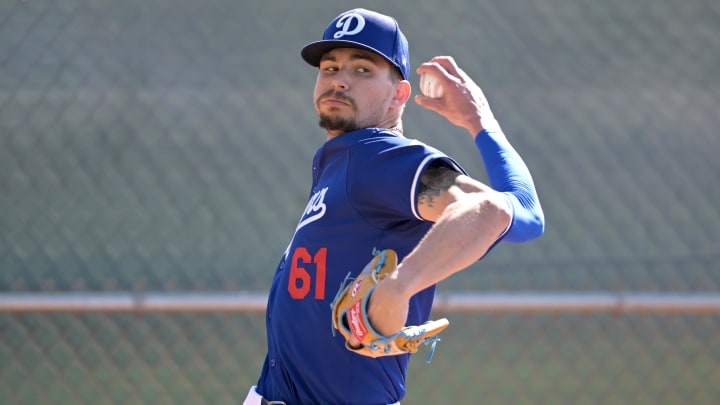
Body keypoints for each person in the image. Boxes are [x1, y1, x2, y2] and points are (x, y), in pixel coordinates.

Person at [244, 8, 544, 405]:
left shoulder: (376, 156)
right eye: (330, 67)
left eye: (363, 70)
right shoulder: (343, 163)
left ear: (399, 94)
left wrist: (399, 286)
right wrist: (481, 124)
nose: (340, 80)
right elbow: (525, 211)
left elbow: (489, 211)